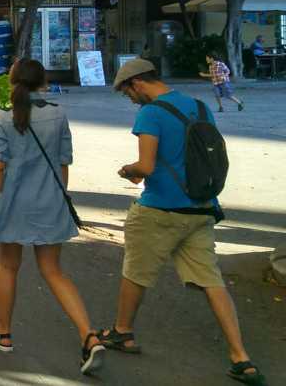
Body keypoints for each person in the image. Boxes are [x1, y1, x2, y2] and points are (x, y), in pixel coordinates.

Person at [105, 58, 264, 386]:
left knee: (136, 271)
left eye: (127, 92)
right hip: (201, 208)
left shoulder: (150, 113)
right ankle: (241, 358)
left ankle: (122, 332)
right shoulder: (200, 107)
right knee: (211, 281)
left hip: (161, 209)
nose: (130, 99)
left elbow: (146, 166)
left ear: (137, 83)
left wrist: (127, 170)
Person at [0, 60, 104, 375]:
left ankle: (3, 334)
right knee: (53, 271)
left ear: (12, 82)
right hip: (50, 202)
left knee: (7, 266)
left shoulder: (3, 117)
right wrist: (59, 197)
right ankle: (89, 336)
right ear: (43, 82)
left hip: (13, 204)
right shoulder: (58, 114)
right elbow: (64, 162)